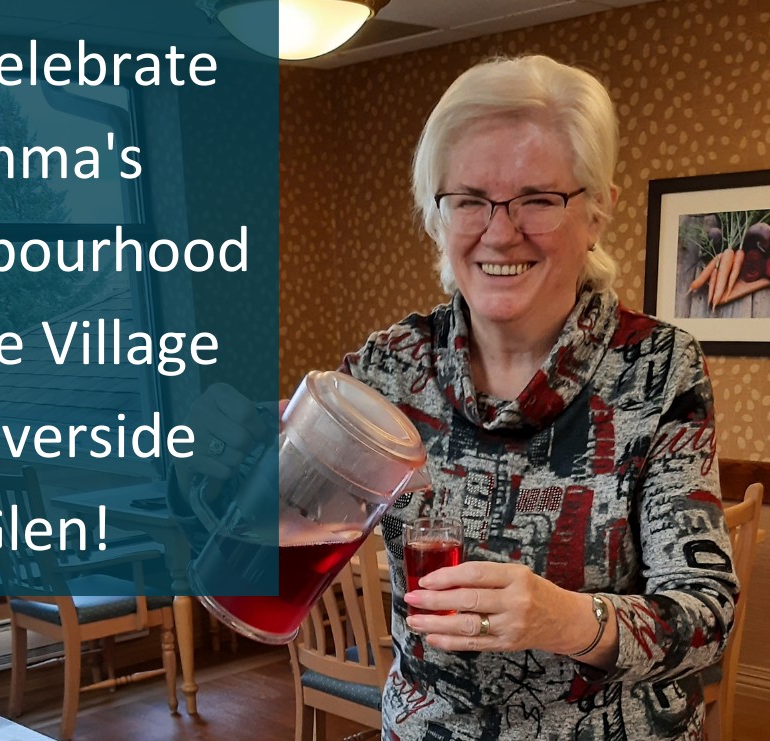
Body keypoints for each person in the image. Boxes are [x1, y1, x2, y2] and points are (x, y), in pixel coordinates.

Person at [175, 54, 737, 740]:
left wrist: (564, 619)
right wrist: (225, 466)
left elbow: (707, 616)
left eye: (538, 198)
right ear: (436, 217)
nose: (500, 231)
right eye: (469, 199)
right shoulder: (386, 368)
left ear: (596, 212)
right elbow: (265, 555)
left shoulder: (658, 367)